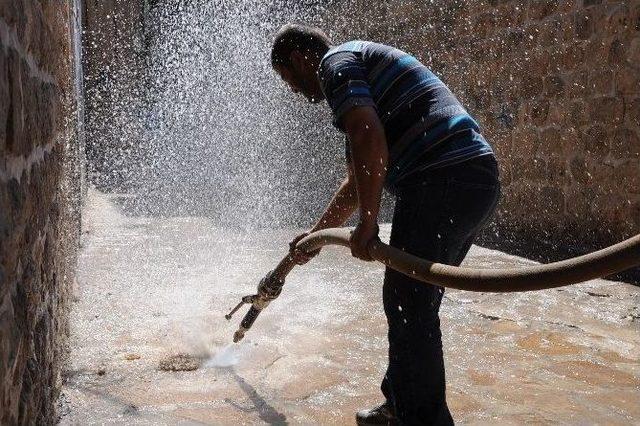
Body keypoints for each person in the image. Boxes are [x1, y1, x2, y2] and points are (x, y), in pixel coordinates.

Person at [271, 23, 500, 425]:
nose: (294, 92)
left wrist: (370, 224)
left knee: (407, 299)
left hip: (443, 177)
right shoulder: (360, 69)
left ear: (298, 58)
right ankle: (398, 404)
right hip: (470, 178)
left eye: (289, 80)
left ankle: (421, 419)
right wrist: (317, 236)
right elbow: (357, 179)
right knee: (413, 298)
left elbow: (366, 135)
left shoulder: (335, 64)